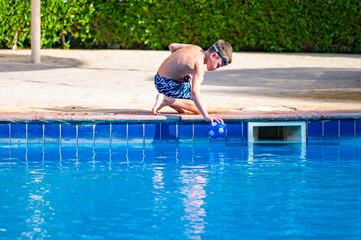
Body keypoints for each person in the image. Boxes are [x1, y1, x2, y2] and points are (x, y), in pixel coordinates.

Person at [152, 39, 232, 124]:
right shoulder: (199, 67)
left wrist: (180, 67)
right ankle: (165, 100)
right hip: (167, 84)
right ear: (213, 55)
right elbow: (194, 93)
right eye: (218, 65)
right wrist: (206, 116)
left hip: (159, 78)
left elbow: (172, 46)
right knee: (202, 107)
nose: (216, 69)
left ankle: (169, 100)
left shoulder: (196, 48)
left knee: (184, 110)